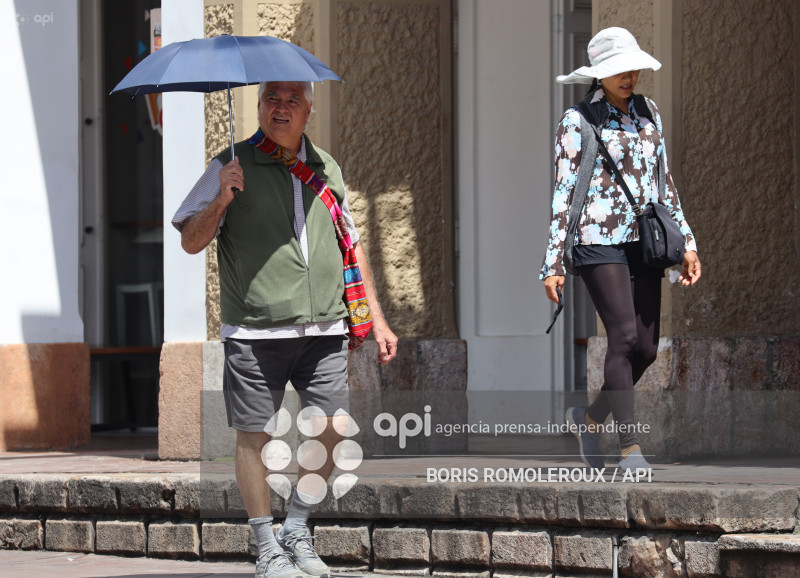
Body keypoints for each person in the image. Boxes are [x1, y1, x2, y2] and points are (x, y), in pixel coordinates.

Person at [173, 80, 398, 578]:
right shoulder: (227, 164)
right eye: (272, 98)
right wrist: (221, 200)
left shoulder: (327, 167)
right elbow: (190, 240)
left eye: (292, 98)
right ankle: (265, 546)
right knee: (252, 437)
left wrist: (377, 319)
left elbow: (350, 247)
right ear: (257, 107)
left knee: (335, 430)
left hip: (325, 330)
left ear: (309, 109)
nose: (281, 107)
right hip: (256, 332)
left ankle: (295, 527)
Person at [540, 28, 701, 472]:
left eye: (632, 68)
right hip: (596, 240)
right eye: (617, 70)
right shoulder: (577, 121)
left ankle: (589, 419)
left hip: (644, 239)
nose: (628, 76)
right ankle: (630, 446)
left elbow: (663, 182)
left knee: (646, 349)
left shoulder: (649, 112)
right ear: (599, 75)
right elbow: (562, 194)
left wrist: (685, 240)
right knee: (624, 337)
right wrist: (552, 261)